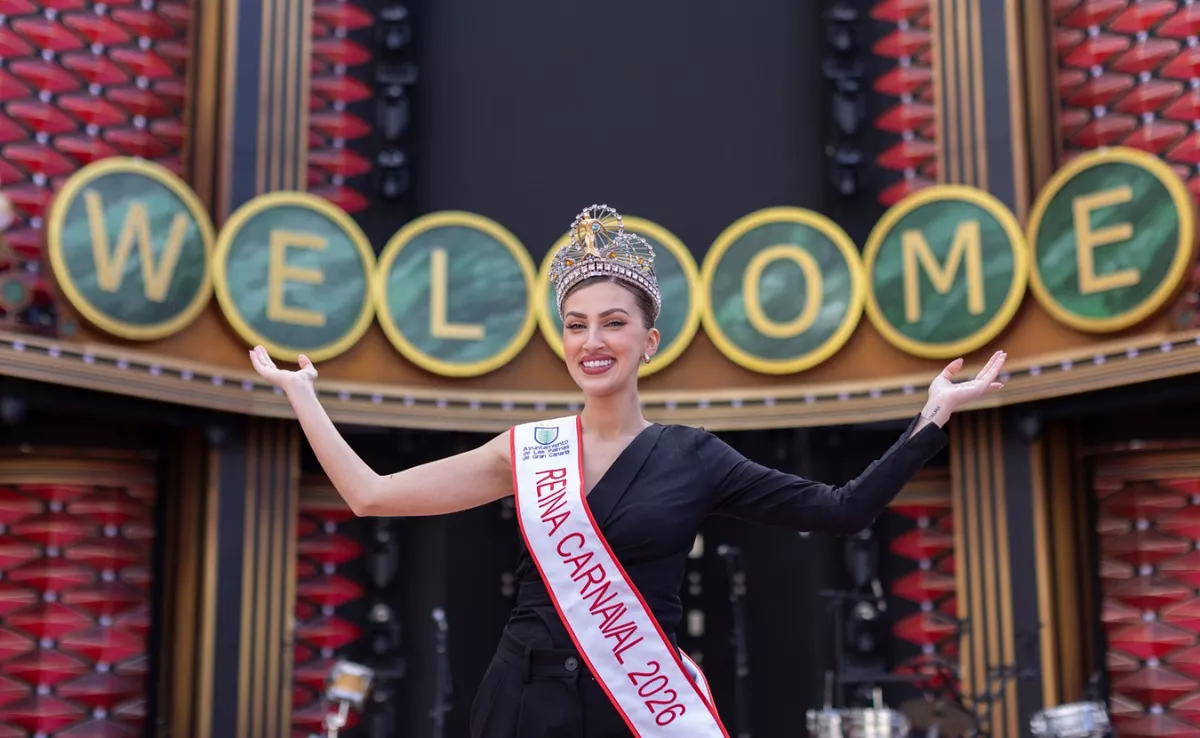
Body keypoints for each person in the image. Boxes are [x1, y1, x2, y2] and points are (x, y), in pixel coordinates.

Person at [249, 204, 1007, 738]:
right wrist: (302, 397)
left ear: (650, 339)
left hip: (636, 707)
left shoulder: (695, 454)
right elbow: (370, 494)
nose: (593, 340)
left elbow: (839, 508)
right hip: (521, 704)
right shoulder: (526, 449)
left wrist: (932, 416)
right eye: (576, 325)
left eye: (614, 322)